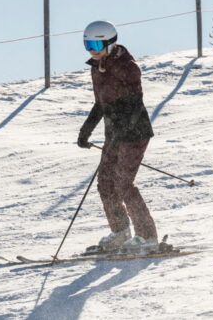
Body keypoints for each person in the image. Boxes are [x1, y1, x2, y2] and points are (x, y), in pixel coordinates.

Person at [76, 20, 158, 253]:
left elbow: (134, 102)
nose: (92, 51)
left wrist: (123, 127)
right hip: (113, 134)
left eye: (95, 45)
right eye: (87, 45)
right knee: (105, 184)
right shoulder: (96, 68)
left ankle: (147, 237)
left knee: (123, 183)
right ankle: (120, 231)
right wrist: (86, 131)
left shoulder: (127, 67)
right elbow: (100, 104)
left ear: (110, 43)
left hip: (134, 134)